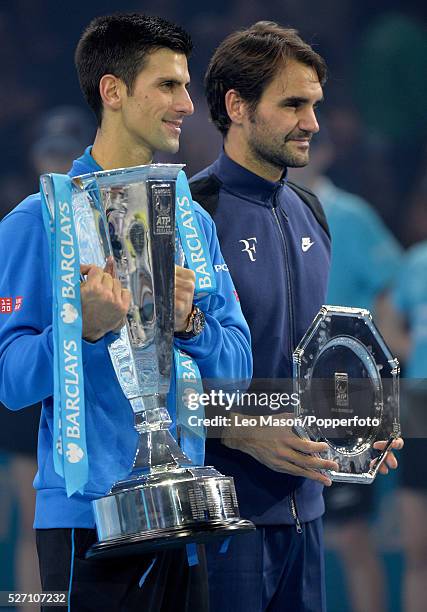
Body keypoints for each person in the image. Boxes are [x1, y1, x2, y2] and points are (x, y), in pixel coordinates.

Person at [0, 13, 252, 612]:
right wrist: (79, 330)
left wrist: (191, 324)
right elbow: (8, 380)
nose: (187, 104)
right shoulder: (35, 225)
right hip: (86, 524)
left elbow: (238, 370)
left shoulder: (193, 224)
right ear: (112, 92)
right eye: (167, 86)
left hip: (186, 518)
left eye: (186, 86)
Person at [190, 21, 403, 612]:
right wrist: (232, 428)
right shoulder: (186, 211)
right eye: (293, 104)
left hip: (305, 512)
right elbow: (139, 374)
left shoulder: (312, 209)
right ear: (237, 106)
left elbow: (304, 354)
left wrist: (361, 425)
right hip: (217, 518)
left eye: (314, 104)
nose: (312, 121)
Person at [288, 128, 403, 612]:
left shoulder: (351, 215)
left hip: (347, 397)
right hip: (287, 394)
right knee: (296, 535)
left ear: (329, 150)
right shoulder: (271, 212)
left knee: (351, 535)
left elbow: (393, 295)